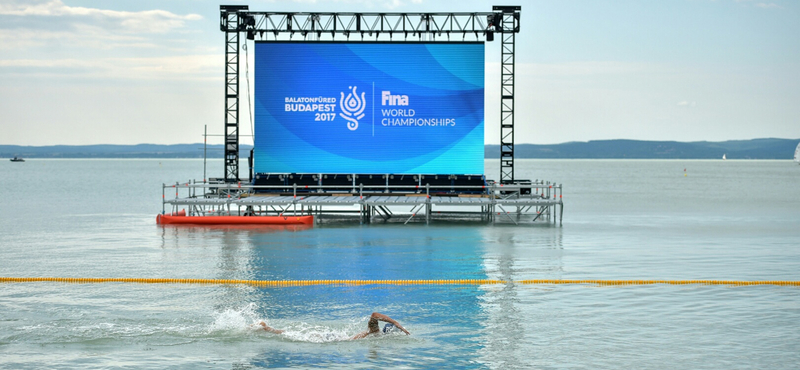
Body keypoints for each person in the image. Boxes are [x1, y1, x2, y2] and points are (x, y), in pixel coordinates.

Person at [257, 312, 410, 340]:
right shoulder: (375, 332)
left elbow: (375, 316)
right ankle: (267, 328)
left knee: (296, 334)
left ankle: (267, 328)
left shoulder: (374, 333)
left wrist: (396, 324)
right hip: (336, 340)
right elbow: (374, 314)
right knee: (297, 335)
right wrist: (396, 323)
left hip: (336, 337)